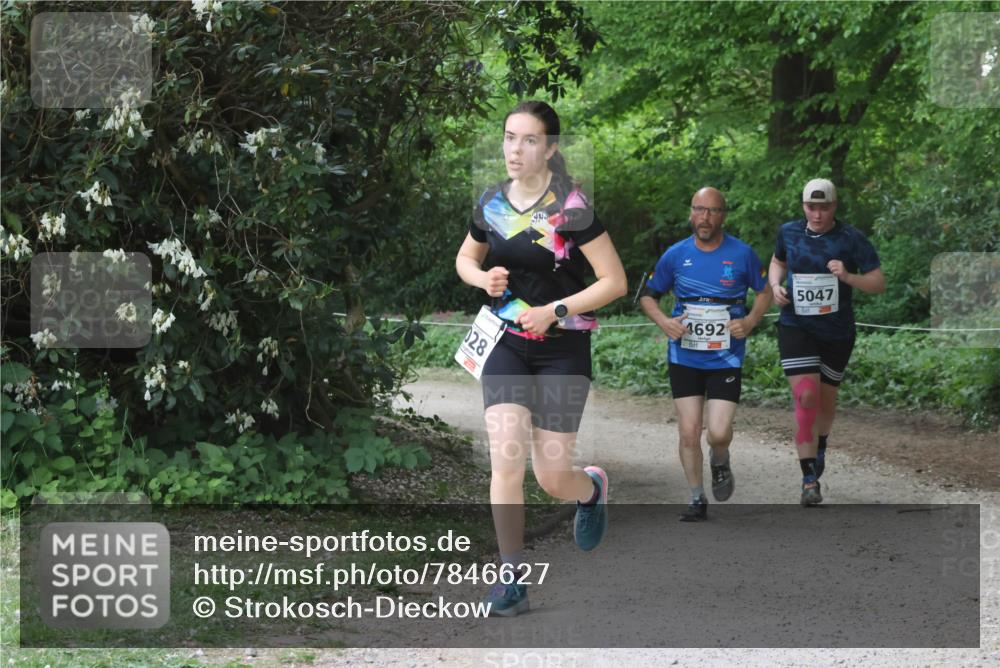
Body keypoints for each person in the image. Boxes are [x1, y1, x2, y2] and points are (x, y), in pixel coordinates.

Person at [455, 100, 627, 616]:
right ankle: (512, 578)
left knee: (552, 477)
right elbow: (467, 257)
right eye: (510, 137)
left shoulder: (572, 208)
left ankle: (589, 489)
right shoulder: (491, 203)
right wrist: (482, 277)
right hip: (506, 341)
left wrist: (555, 309)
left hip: (562, 348)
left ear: (550, 148)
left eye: (529, 140)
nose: (515, 148)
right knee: (505, 457)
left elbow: (614, 282)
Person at [639, 187, 772, 521]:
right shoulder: (675, 254)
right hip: (684, 354)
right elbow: (647, 296)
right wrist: (664, 323)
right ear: (691, 213)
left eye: (713, 211)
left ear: (723, 215)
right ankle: (697, 497)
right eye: (699, 209)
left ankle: (720, 457)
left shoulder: (742, 254)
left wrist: (751, 320)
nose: (705, 217)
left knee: (718, 432)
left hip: (726, 355)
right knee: (688, 430)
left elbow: (764, 291)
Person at [768, 178, 885, 506]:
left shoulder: (850, 238)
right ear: (803, 206)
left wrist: (848, 276)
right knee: (806, 397)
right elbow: (777, 262)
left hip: (836, 332)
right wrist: (775, 285)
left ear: (835, 206)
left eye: (824, 207)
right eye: (811, 207)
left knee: (826, 402)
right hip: (796, 326)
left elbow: (878, 282)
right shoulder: (789, 232)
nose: (817, 214)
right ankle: (808, 479)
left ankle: (820, 445)